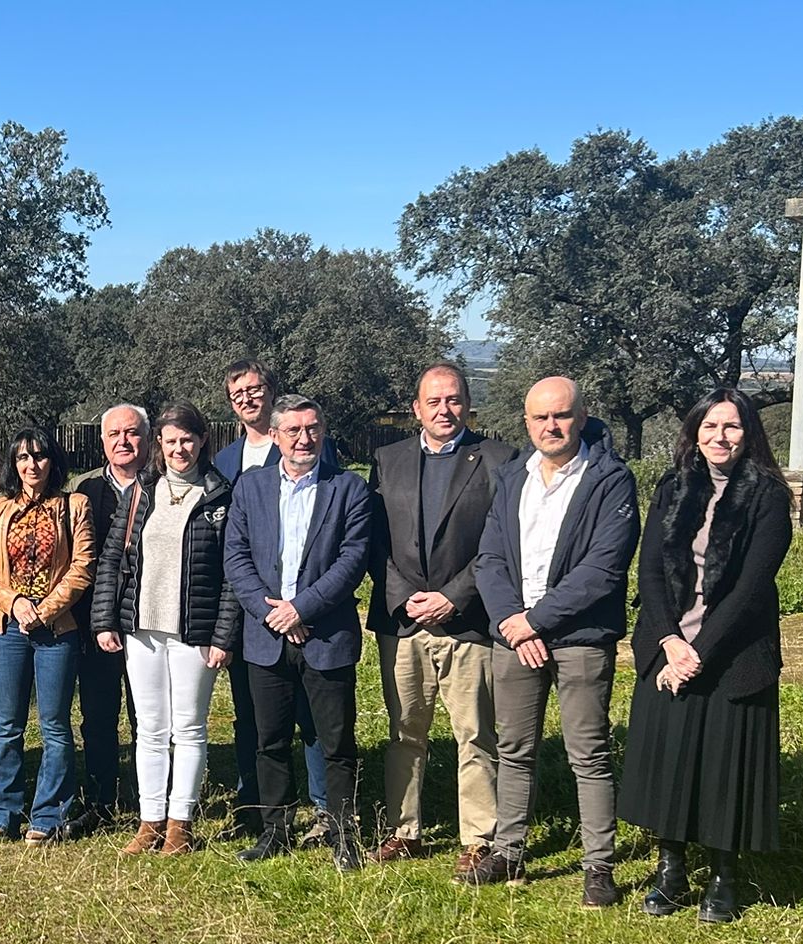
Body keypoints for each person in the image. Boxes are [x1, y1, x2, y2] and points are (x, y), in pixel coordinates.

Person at [620, 391, 791, 924]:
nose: (720, 437)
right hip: (667, 646)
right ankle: (670, 870)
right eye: (711, 425)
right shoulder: (672, 488)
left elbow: (750, 586)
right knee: (669, 759)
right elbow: (648, 570)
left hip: (735, 652)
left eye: (733, 427)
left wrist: (699, 652)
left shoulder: (767, 496)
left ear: (749, 434)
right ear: (695, 430)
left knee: (724, 766)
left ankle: (724, 876)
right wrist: (670, 642)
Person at [471, 376, 640, 904]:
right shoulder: (511, 478)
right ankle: (509, 850)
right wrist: (510, 621)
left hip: (580, 638)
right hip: (514, 636)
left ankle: (598, 867)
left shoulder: (609, 479)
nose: (551, 426)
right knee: (515, 748)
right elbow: (490, 558)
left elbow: (603, 569)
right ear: (526, 422)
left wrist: (535, 621)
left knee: (586, 752)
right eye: (540, 418)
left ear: (581, 418)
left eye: (561, 416)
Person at [366, 364, 514, 870]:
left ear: (468, 404)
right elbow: (373, 540)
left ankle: (478, 838)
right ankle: (404, 830)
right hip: (404, 623)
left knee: (475, 733)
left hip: (468, 621)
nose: (444, 410)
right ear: (417, 409)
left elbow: (500, 541)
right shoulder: (388, 461)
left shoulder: (498, 459)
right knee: (405, 730)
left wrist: (454, 596)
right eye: (434, 402)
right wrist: (405, 596)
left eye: (453, 400)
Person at [223, 395, 372, 873]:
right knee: (269, 740)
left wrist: (300, 608)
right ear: (276, 435)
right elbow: (236, 557)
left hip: (325, 636)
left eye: (312, 429)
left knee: (335, 742)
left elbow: (353, 561)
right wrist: (273, 615)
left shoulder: (349, 488)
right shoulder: (251, 486)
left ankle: (344, 833)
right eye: (293, 431)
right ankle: (275, 831)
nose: (304, 439)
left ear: (322, 432)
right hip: (266, 639)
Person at [90, 403, 238, 856]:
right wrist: (105, 620)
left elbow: (233, 571)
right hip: (142, 629)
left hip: (195, 631)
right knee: (151, 729)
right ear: (161, 444)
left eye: (187, 440)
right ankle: (150, 820)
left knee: (189, 728)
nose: (180, 448)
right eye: (171, 441)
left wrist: (223, 635)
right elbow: (112, 559)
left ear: (203, 440)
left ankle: (181, 823)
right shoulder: (142, 493)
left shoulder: (220, 495)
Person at [212, 359, 335, 842]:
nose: (247, 398)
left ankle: (325, 806)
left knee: (312, 716)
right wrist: (264, 607)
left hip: (307, 614)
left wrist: (302, 606)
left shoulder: (309, 445)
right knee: (253, 716)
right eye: (237, 393)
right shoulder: (226, 461)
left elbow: (330, 526)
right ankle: (255, 805)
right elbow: (232, 544)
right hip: (252, 615)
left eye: (255, 388)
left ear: (271, 390)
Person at [0, 428, 97, 845]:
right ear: (14, 464)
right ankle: (2, 811)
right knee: (7, 725)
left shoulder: (73, 506)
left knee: (55, 724)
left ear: (52, 461)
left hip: (56, 629)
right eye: (23, 458)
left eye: (40, 456)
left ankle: (48, 814)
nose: (32, 465)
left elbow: (83, 566)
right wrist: (15, 603)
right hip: (9, 629)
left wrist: (45, 610)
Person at [72, 403, 150, 834]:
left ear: (147, 436)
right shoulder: (85, 493)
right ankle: (100, 799)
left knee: (150, 716)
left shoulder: (161, 488)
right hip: (96, 624)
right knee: (98, 715)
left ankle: (150, 800)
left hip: (149, 623)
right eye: (114, 434)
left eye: (132, 433)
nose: (123, 441)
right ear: (102, 441)